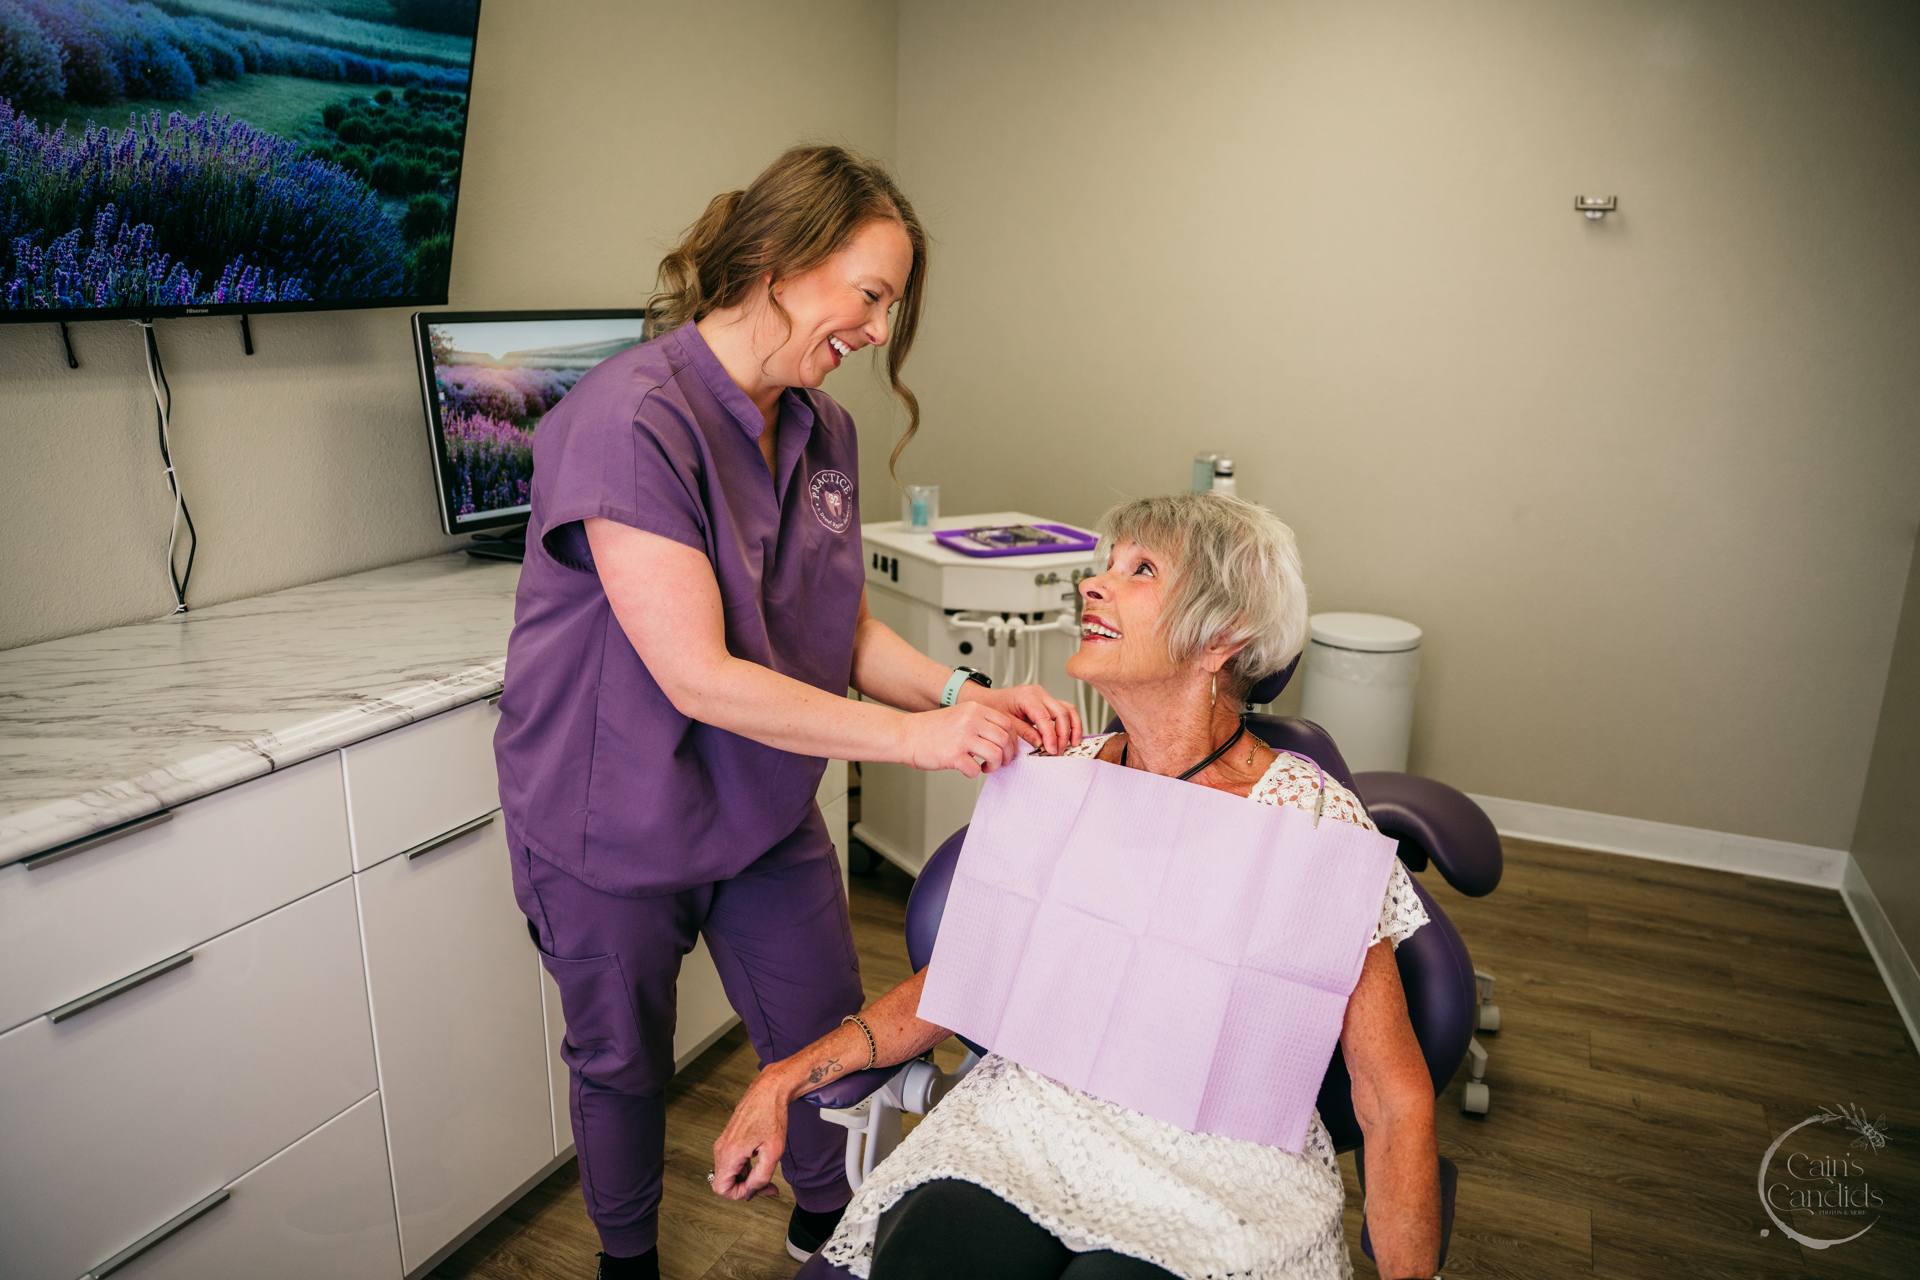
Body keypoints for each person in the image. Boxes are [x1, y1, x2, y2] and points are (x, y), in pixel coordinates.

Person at [494, 145, 1083, 1280]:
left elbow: (837, 624)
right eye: (869, 293)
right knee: (621, 1061)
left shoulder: (822, 430)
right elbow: (699, 674)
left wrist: (960, 692)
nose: (876, 328)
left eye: (891, 304)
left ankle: (831, 1232)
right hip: (610, 813)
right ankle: (629, 1261)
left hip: (759, 804)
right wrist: (916, 740)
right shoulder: (631, 419)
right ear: (778, 261)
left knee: (825, 1041)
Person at [711, 493, 1442, 1280]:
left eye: (1141, 570)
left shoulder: (1309, 821)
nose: (1093, 585)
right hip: (1026, 1130)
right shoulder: (1058, 781)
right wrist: (784, 1076)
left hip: (1218, 1168)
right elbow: (953, 984)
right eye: (1103, 566)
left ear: (1223, 636)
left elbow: (1391, 1097)